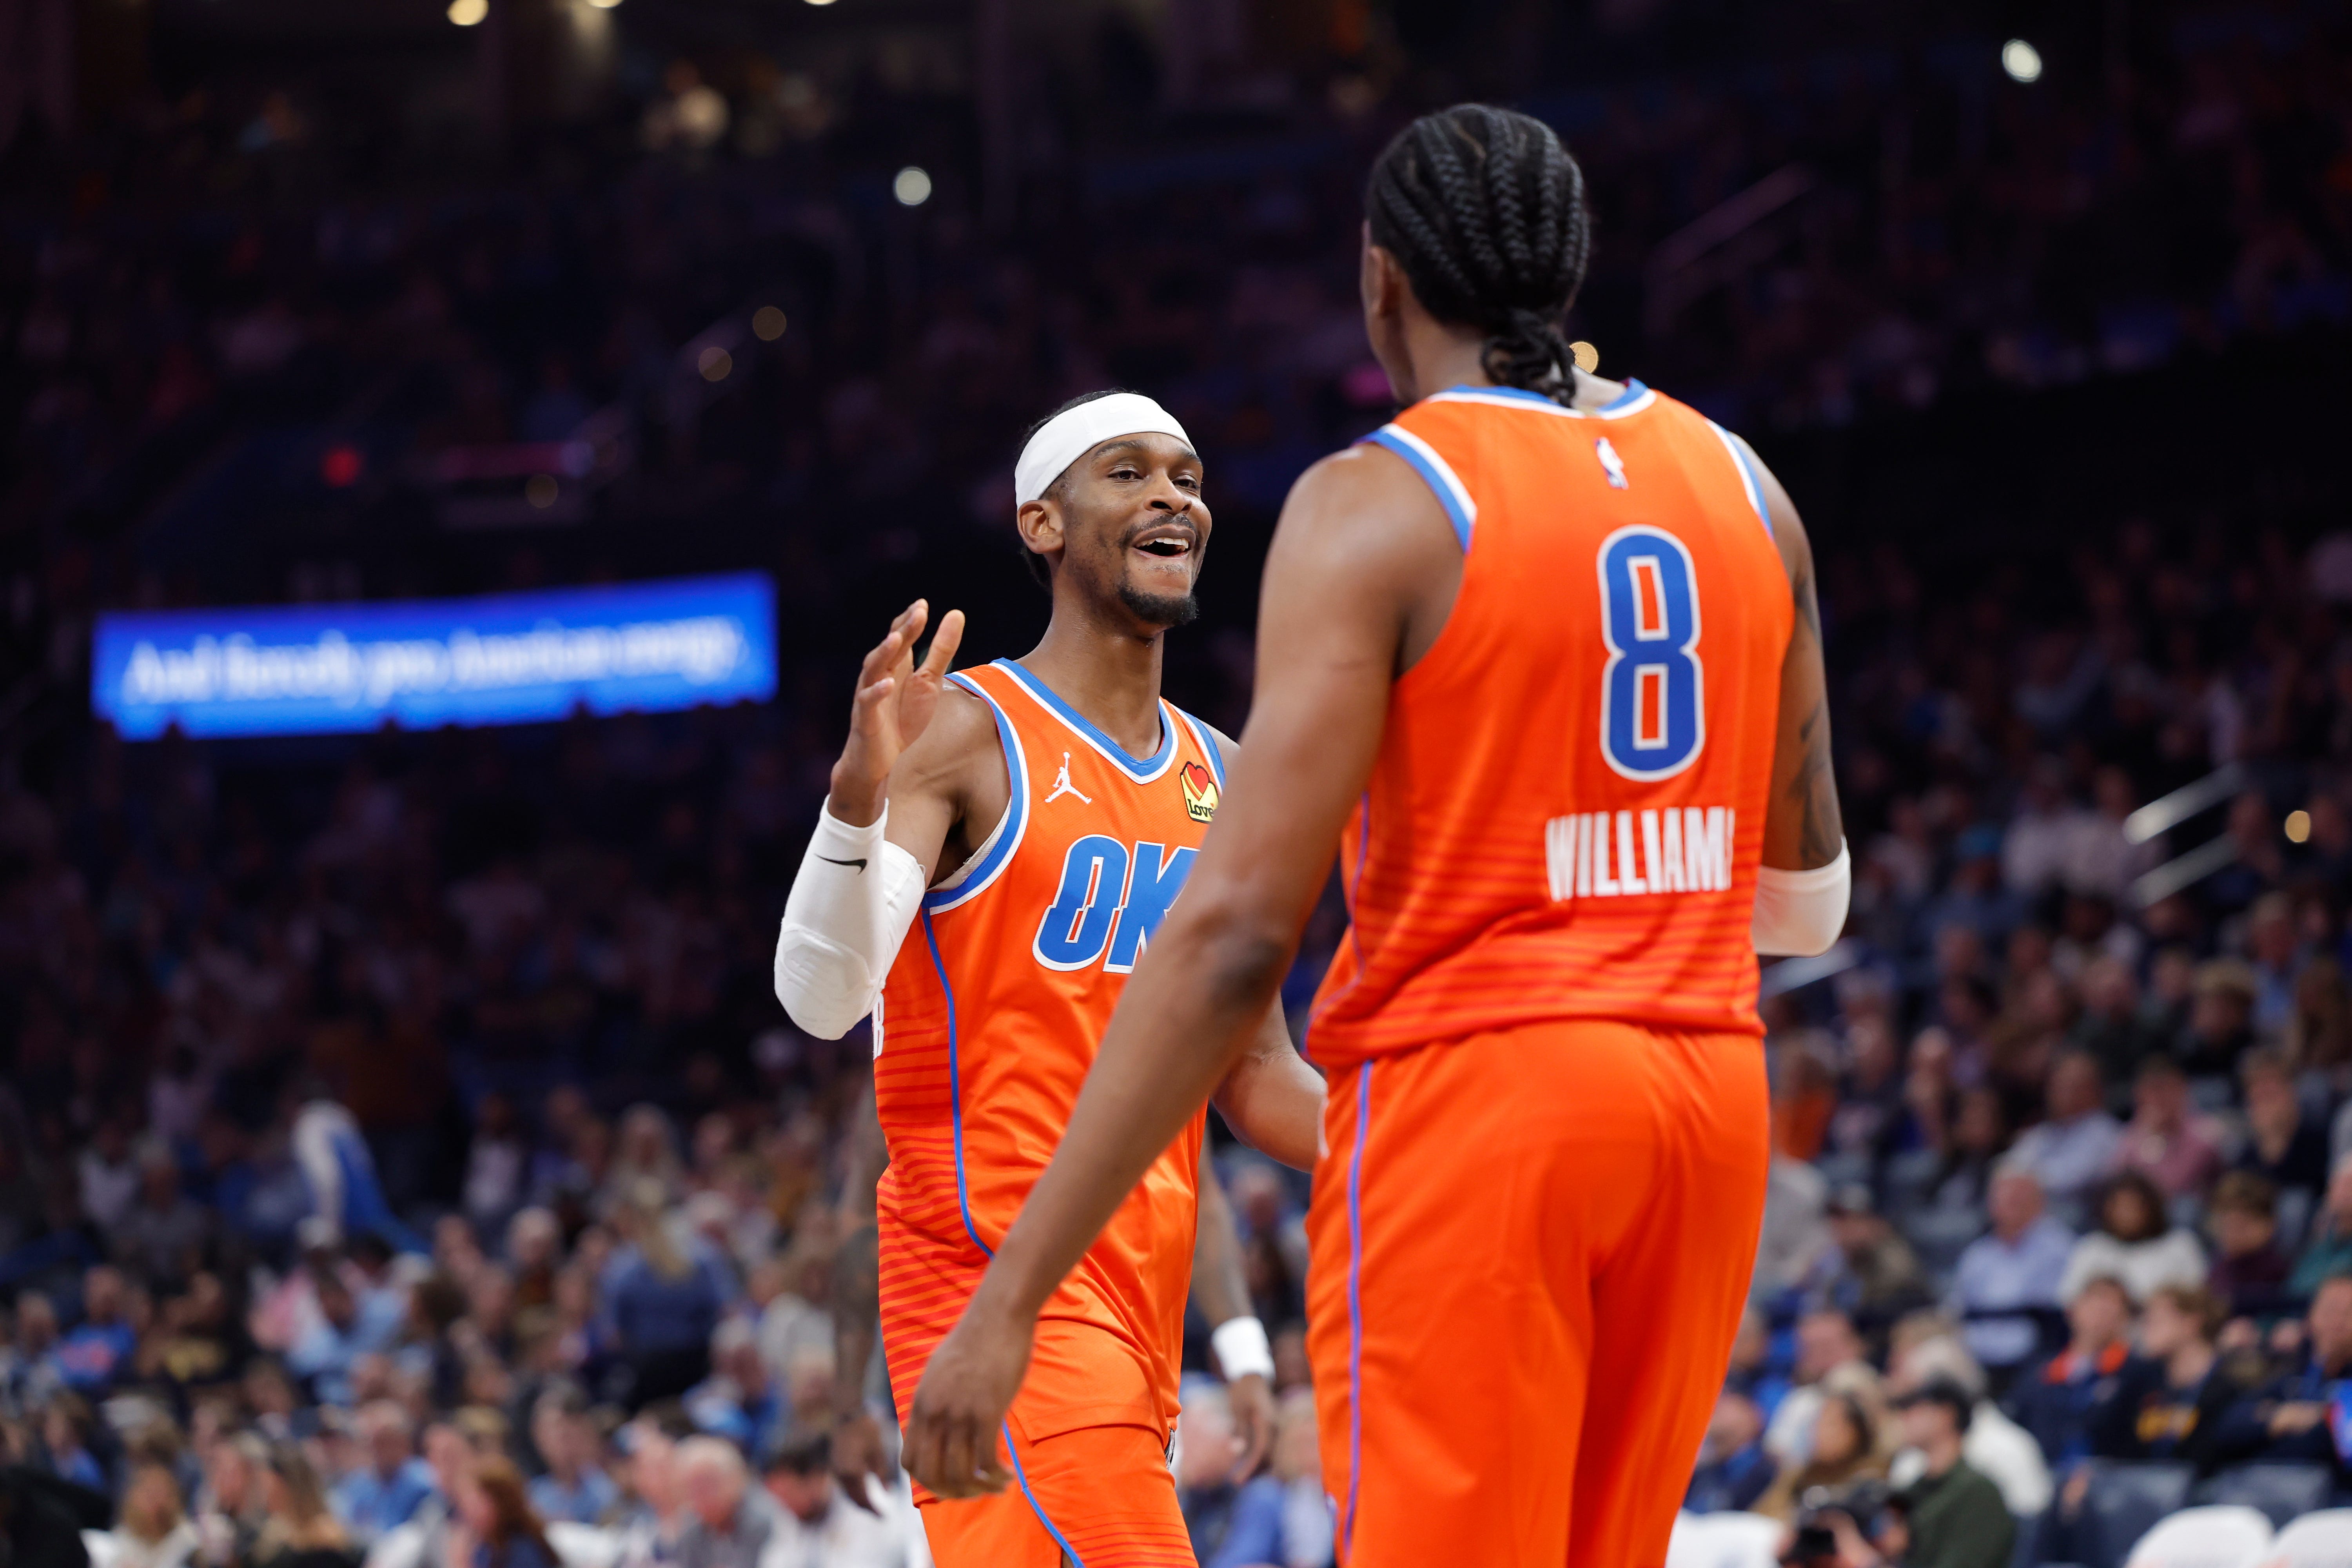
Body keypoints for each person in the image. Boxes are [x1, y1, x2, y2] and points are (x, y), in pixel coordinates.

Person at [904, 102, 1850, 1568]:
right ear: (1569, 266)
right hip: (1705, 1094)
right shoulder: (1747, 486)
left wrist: (1010, 1294)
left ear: (1380, 282)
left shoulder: (1379, 500)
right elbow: (1804, 907)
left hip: (1479, 1092)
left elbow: (1229, 943)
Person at [768, 387, 1322, 1566]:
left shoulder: (1222, 774)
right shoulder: (966, 729)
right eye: (1126, 473)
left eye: (1185, 473)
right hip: (990, 1296)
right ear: (1041, 523)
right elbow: (823, 997)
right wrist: (855, 799)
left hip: (1136, 1310)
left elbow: (1260, 1076)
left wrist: (1439, 1128)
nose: (1172, 493)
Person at [2210, 1270, 2352, 1484]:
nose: (2337, 1321)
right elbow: (2230, 1425)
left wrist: (2316, 1421)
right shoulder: (2294, 1374)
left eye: (2349, 1312)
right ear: (2310, 1317)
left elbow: (2327, 1448)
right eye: (2330, 1310)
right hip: (2269, 1488)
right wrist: (2281, 1417)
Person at [2085, 1284, 2232, 1472]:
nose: (2146, 1330)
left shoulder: (2227, 1381)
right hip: (2150, 1486)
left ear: (2191, 1323)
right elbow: (2103, 1432)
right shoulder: (2144, 1378)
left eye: (2156, 1322)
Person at [1949, 1162, 2073, 1382]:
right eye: (2001, 1198)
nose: (2008, 1204)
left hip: (2035, 1357)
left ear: (2039, 1202)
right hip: (1976, 1358)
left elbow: (2053, 1311)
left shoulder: (2059, 1248)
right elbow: (1956, 1310)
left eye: (2018, 1197)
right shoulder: (1978, 1254)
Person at [2008, 1275, 2133, 1475]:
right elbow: (2014, 1423)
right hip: (2040, 1473)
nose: (2099, 1318)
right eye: (2093, 1307)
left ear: (2124, 1319)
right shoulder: (2041, 1373)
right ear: (2072, 1311)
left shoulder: (2136, 1373)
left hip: (2106, 1479)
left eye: (2108, 1310)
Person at [1884, 1380, 2016, 1568]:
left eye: (1916, 1409)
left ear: (1946, 1416)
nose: (1904, 1418)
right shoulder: (1913, 1490)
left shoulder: (1979, 1493)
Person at [756, 1428, 907, 1568]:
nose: (786, 1504)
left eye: (790, 1493)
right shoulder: (791, 1517)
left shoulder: (869, 1499)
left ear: (817, 1478)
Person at [2004, 1053, 2122, 1226]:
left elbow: (2072, 1180)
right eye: (2058, 1085)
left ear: (2093, 1090)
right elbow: (2007, 1169)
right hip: (2033, 1209)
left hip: (2079, 1215)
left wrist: (2026, 1181)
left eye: (2073, 1086)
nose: (2062, 1093)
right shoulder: (2043, 1133)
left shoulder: (2104, 1132)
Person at [2058, 1171, 2205, 1307]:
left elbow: (2197, 1300)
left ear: (2151, 1209)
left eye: (2133, 1207)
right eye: (2120, 1208)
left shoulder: (2180, 1245)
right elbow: (2068, 1299)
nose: (2127, 1216)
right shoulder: (2092, 1248)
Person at [1751, 1390, 1882, 1523]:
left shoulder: (1862, 1488)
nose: (1817, 1429)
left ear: (1855, 1435)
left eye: (1831, 1423)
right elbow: (1760, 1517)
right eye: (1819, 1420)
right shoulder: (1796, 1473)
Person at [2105, 1057, 2222, 1200]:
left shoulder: (2204, 1131)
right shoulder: (2132, 1135)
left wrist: (2160, 1136)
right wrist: (2148, 1135)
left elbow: (2176, 1184)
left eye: (2165, 1089)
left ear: (2182, 1089)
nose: (2159, 1099)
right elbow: (2117, 1180)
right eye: (2151, 1091)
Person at [330, 1399, 435, 1545]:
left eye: (382, 1441)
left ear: (403, 1441)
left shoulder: (425, 1482)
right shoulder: (357, 1485)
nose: (374, 1450)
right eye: (368, 1441)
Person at [674, 1437, 782, 1568]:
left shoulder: (766, 1521)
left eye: (707, 1484)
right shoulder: (691, 1529)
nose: (700, 1495)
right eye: (692, 1487)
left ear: (735, 1479)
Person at [251, 1443, 361, 1568]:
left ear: (290, 1486)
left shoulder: (327, 1543)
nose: (264, 1492)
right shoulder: (271, 1534)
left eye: (268, 1484)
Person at [526, 1385, 617, 1526]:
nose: (555, 1440)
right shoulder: (535, 1496)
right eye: (547, 1433)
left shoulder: (606, 1490)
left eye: (565, 1435)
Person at [2205, 1171, 2293, 1316]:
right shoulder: (2219, 1264)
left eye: (2242, 1225)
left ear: (2269, 1226)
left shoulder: (2275, 1271)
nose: (2232, 1233)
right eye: (2227, 1225)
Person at [452, 1457, 559, 1568]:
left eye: (473, 1503)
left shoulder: (524, 1551)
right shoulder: (484, 1549)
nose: (465, 1510)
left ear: (499, 1502)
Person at [1685, 1391, 1779, 1516]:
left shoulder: (1763, 1472)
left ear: (1748, 1423)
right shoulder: (1709, 1465)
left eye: (1723, 1409)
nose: (1715, 1413)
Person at [111, 1463, 202, 1568]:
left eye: (160, 1494)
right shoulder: (122, 1537)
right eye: (149, 1494)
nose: (155, 1502)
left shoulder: (187, 1539)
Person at [2289, 1153, 2352, 1294]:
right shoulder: (2317, 1246)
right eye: (2339, 1184)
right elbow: (2291, 1292)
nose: (2344, 1193)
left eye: (2350, 1185)